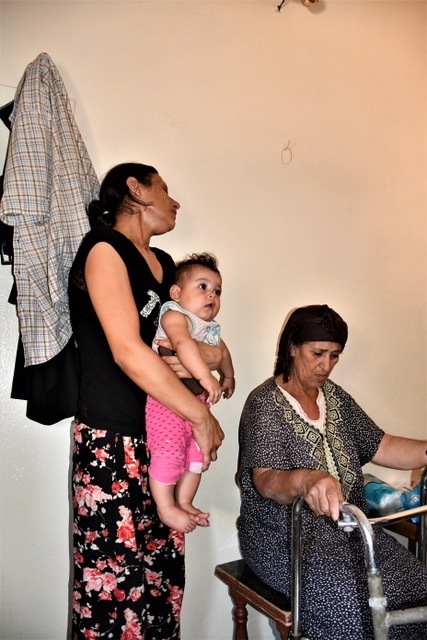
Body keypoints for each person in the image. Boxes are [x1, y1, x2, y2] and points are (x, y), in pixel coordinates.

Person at [68, 163, 224, 640]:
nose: (174, 201)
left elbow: (199, 342)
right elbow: (127, 349)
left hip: (162, 439)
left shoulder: (166, 264)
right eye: (165, 189)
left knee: (158, 589)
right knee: (113, 594)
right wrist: (200, 414)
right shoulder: (103, 249)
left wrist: (213, 357)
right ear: (135, 189)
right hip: (112, 441)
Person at [237, 304, 427, 640]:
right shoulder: (264, 403)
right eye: (318, 353)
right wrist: (308, 479)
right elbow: (265, 480)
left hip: (351, 533)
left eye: (335, 355)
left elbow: (383, 445)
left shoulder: (335, 398)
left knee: (418, 588)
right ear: (292, 348)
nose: (327, 365)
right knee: (354, 610)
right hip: (283, 540)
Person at [146, 253, 235, 533]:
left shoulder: (209, 329)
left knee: (195, 458)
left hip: (196, 402)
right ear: (176, 292)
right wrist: (206, 375)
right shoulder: (174, 316)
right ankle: (166, 506)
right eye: (203, 286)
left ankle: (184, 501)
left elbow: (222, 352)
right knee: (168, 452)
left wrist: (228, 375)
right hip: (167, 401)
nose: (212, 296)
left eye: (217, 291)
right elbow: (183, 345)